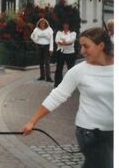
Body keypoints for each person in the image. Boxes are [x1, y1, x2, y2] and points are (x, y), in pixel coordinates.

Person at [23, 27, 113, 168]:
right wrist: (32, 121)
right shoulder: (79, 71)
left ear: (101, 45)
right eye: (81, 46)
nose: (82, 51)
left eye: (86, 46)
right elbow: (56, 96)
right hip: (90, 134)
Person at [54, 22, 76, 87]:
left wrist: (63, 41)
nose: (65, 26)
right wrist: (66, 42)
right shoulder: (59, 32)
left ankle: (71, 84)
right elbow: (57, 40)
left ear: (69, 25)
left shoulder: (73, 33)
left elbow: (71, 41)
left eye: (67, 24)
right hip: (61, 52)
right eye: (64, 24)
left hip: (70, 53)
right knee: (59, 68)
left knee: (71, 69)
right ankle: (57, 83)